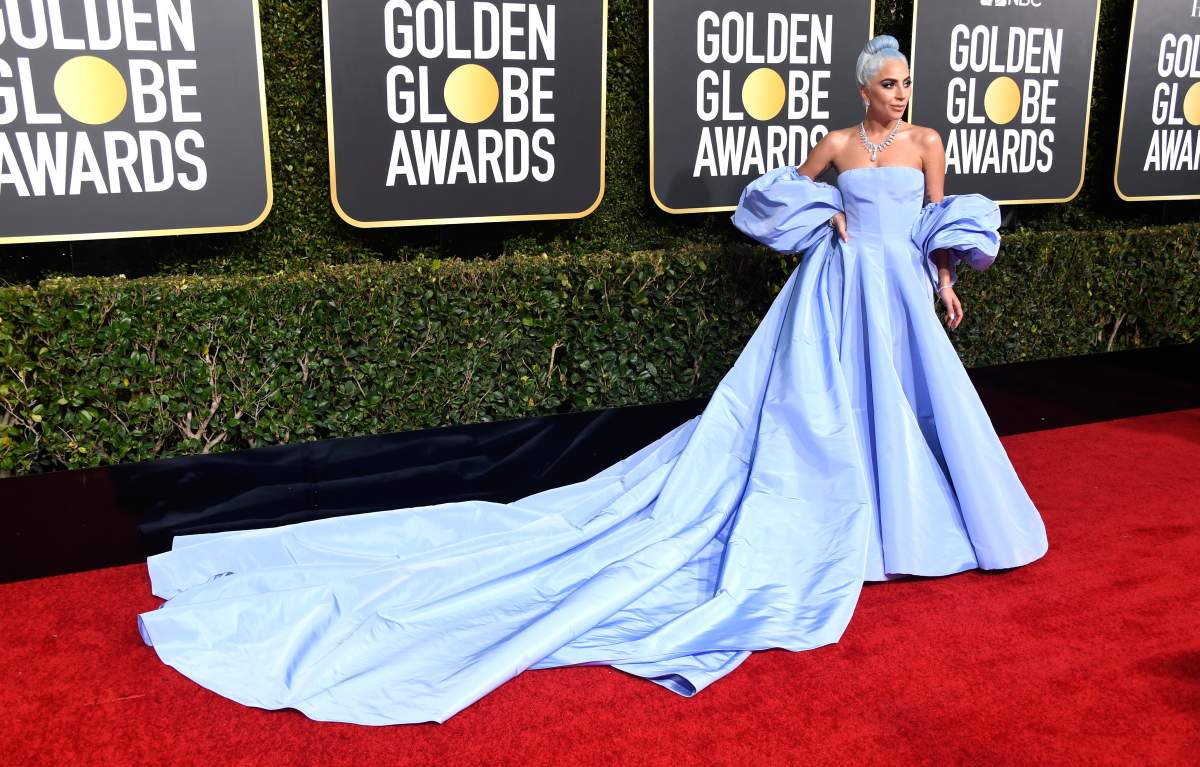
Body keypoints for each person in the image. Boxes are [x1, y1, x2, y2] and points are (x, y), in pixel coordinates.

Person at [136, 35, 1047, 726]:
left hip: (899, 293)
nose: (900, 94)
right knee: (824, 414)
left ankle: (903, 527)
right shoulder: (839, 141)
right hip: (836, 293)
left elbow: (934, 220)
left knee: (902, 409)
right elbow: (773, 197)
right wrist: (825, 219)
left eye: (905, 83)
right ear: (862, 87)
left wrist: (944, 279)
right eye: (887, 82)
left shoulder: (926, 142)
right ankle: (844, 526)